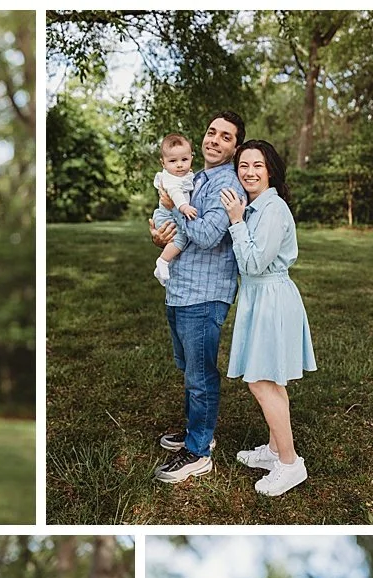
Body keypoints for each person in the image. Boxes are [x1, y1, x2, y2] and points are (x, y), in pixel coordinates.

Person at [149, 111, 244, 484]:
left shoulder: (228, 184)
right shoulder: (196, 177)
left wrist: (174, 211)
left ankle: (199, 451)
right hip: (181, 289)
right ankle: (196, 430)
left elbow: (205, 235)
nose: (214, 140)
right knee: (189, 370)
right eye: (211, 132)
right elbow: (179, 230)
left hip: (205, 294)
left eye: (225, 137)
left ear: (235, 147)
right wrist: (162, 233)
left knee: (200, 375)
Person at [218, 140, 317, 496]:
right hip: (259, 295)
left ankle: (290, 464)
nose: (249, 172)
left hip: (272, 296)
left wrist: (235, 221)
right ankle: (275, 450)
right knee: (271, 379)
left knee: (261, 381)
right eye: (243, 166)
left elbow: (253, 263)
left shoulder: (272, 209)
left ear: (270, 169)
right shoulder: (257, 206)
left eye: (257, 165)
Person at [151, 132, 199, 286]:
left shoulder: (183, 174)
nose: (179, 165)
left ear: (191, 158)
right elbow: (175, 193)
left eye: (184, 159)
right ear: (163, 163)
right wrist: (183, 207)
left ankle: (163, 267)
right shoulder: (170, 179)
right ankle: (163, 262)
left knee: (179, 239)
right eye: (173, 161)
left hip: (170, 214)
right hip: (167, 217)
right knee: (180, 239)